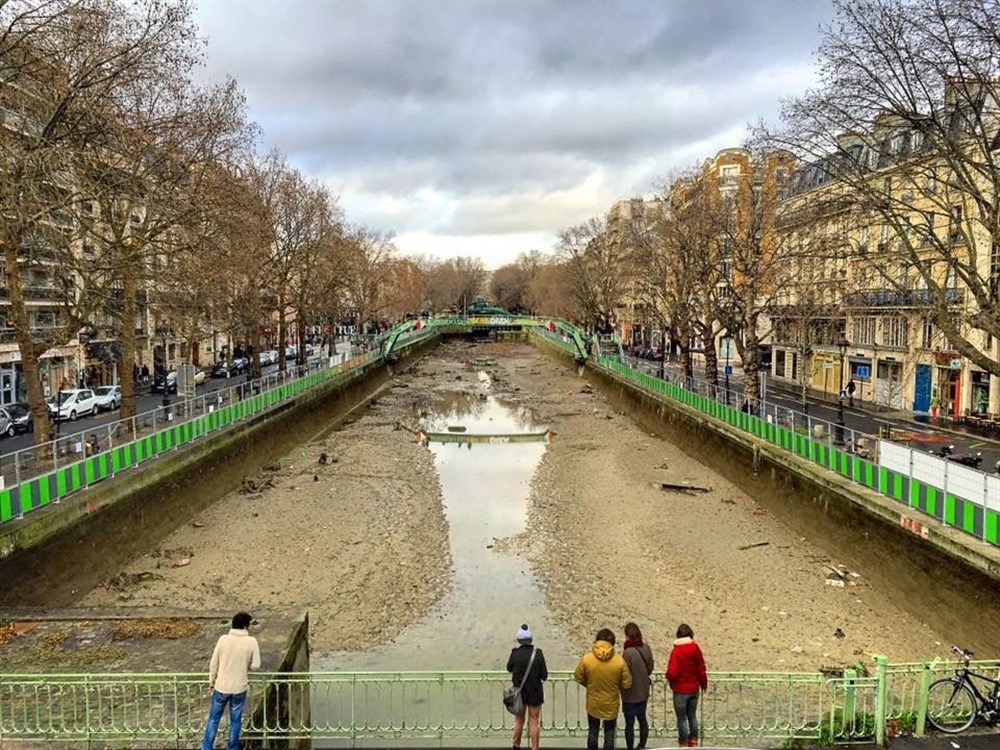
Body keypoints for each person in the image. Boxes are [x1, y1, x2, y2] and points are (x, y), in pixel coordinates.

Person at [201, 612, 261, 750]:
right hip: (239, 688)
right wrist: (247, 666)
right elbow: (256, 665)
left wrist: (211, 682)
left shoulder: (223, 639)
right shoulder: (251, 641)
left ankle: (206, 747)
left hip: (221, 686)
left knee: (213, 719)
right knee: (235, 721)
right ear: (246, 626)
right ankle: (233, 747)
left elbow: (213, 663)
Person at [574, 628, 632, 750]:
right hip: (611, 704)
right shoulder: (619, 661)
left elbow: (578, 677)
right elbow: (627, 683)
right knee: (609, 734)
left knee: (593, 732)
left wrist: (589, 685)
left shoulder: (587, 659)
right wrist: (616, 687)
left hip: (593, 702)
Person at [506, 623, 548, 750]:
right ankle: (535, 748)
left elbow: (509, 668)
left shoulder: (515, 653)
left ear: (519, 639)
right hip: (535, 692)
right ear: (530, 639)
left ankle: (516, 745)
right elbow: (544, 675)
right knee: (534, 721)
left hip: (519, 693)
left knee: (519, 720)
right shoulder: (538, 654)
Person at [665, 623, 707, 748]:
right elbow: (701, 668)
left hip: (680, 691)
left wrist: (668, 677)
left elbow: (672, 672)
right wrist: (703, 684)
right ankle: (694, 742)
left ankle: (683, 744)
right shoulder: (695, 648)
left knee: (681, 719)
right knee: (692, 716)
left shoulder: (676, 652)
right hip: (694, 689)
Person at [621, 622, 654, 750]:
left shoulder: (627, 652)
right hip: (643, 691)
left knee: (629, 723)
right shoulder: (646, 648)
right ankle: (642, 746)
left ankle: (630, 747)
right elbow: (650, 667)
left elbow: (624, 673)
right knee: (642, 719)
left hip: (629, 694)